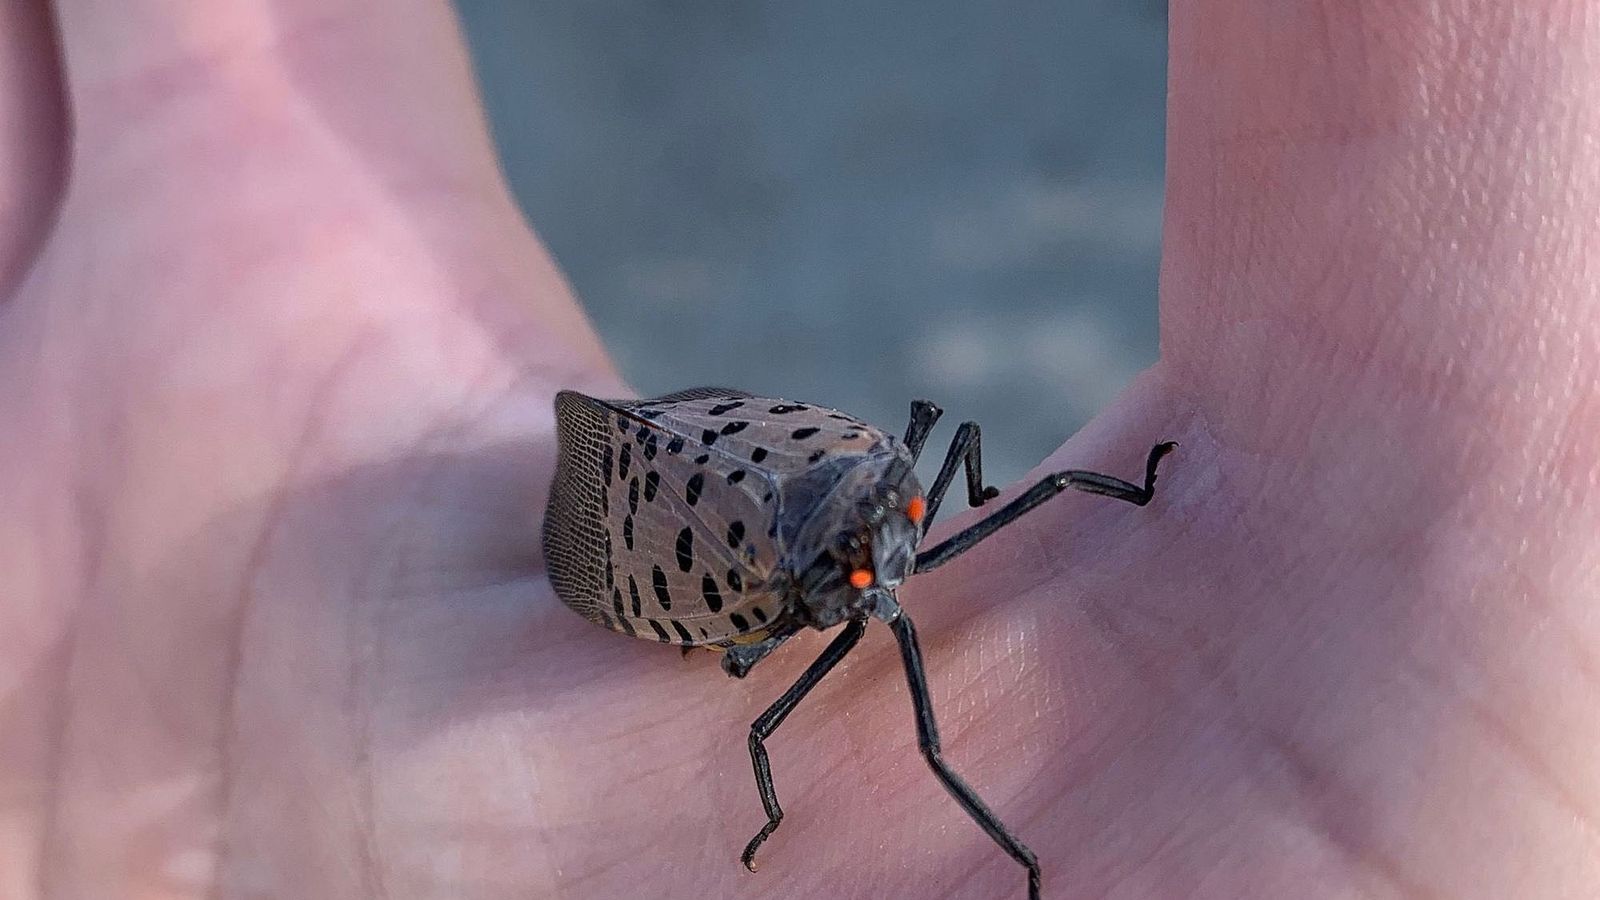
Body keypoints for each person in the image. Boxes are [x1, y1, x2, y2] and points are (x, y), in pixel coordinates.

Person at [1, 1, 1594, 897]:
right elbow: (787, 736)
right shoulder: (829, 588)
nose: (900, 580)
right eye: (880, 568)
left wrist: (979, 515)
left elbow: (964, 478)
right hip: (705, 553)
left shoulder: (900, 527)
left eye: (902, 546)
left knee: (972, 486)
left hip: (787, 487)